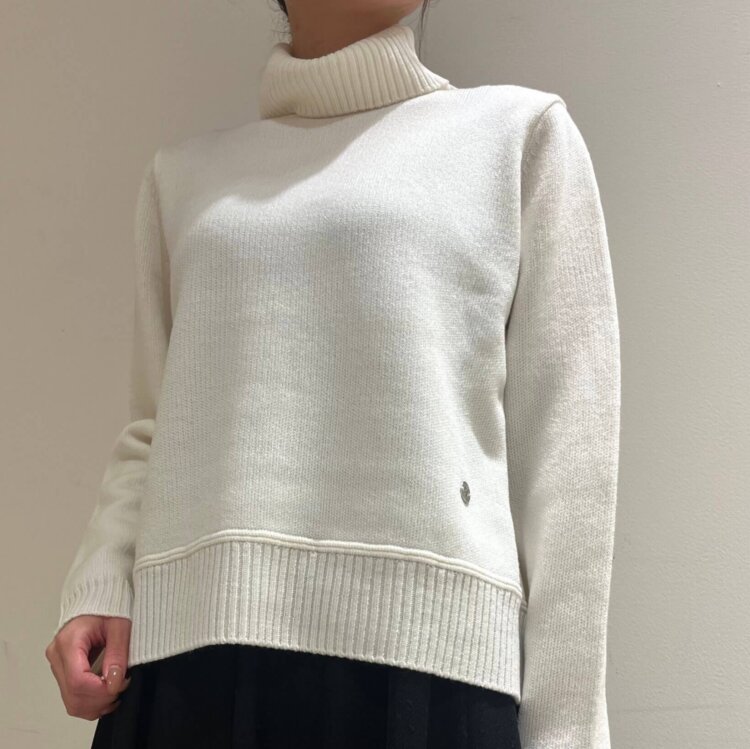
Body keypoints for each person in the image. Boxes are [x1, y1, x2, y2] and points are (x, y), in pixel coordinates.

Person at [45, 1, 621, 747]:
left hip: (427, 675)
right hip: (185, 664)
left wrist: (568, 732)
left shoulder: (518, 137)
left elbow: (569, 470)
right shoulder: (184, 178)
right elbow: (155, 421)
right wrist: (101, 577)